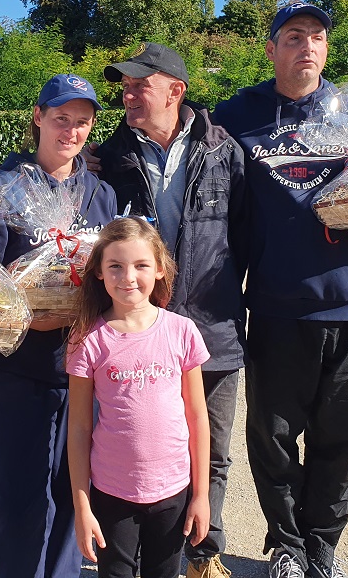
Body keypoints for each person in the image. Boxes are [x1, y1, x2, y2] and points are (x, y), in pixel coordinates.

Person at [212, 3, 348, 578]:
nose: (305, 46)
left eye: (315, 37)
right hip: (279, 304)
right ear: (271, 49)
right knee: (273, 436)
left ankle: (322, 541)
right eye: (292, 37)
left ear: (327, 49)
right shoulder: (239, 114)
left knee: (341, 435)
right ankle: (286, 544)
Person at [92, 42, 247, 578]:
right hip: (138, 328)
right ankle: (135, 553)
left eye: (141, 85)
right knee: (134, 437)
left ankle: (204, 556)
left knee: (213, 448)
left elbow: (247, 235)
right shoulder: (110, 155)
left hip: (212, 324)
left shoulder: (224, 149)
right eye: (126, 86)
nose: (129, 95)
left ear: (176, 91)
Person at [0, 74, 118, 578]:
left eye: (82, 122)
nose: (71, 131)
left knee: (71, 490)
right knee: (16, 499)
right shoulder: (3, 187)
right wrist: (28, 314)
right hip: (15, 368)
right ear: (38, 117)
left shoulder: (101, 193)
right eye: (61, 119)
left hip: (80, 371)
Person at [66, 216, 211, 578]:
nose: (128, 277)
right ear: (98, 271)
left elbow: (197, 417)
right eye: (115, 266)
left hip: (174, 490)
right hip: (111, 493)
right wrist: (82, 508)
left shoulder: (182, 332)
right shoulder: (87, 340)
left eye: (141, 265)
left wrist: (202, 495)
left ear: (160, 269)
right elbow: (80, 429)